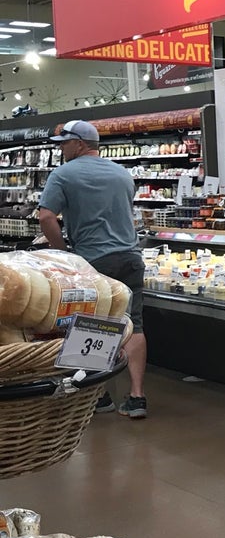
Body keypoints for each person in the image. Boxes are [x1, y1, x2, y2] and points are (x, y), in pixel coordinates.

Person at [38, 119, 147, 419]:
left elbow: (46, 217)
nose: (61, 149)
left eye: (64, 143)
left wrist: (62, 253)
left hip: (92, 261)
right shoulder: (122, 173)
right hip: (130, 257)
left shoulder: (63, 174)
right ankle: (137, 397)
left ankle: (98, 396)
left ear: (80, 144)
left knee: (91, 324)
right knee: (134, 324)